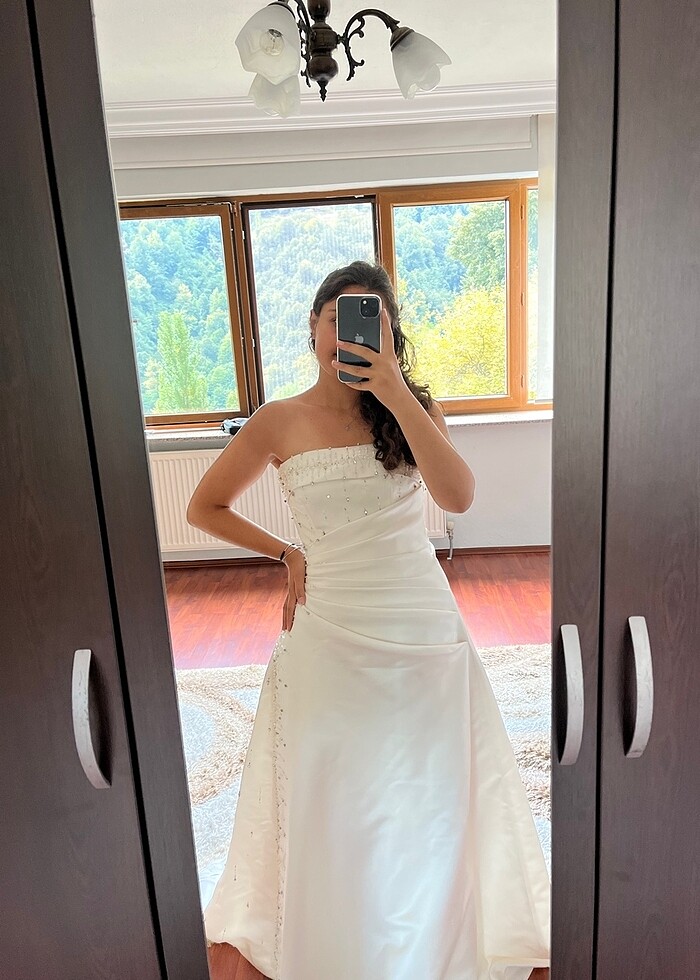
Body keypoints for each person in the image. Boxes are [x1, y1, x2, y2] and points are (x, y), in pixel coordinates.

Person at [187, 261, 551, 980]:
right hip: (329, 618)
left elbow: (459, 496)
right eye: (337, 319)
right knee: (336, 773)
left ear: (390, 333)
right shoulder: (279, 419)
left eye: (370, 320)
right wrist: (284, 552)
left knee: (433, 772)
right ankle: (346, 917)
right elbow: (205, 507)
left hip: (420, 618)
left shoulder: (412, 407)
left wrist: (394, 392)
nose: (349, 334)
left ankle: (438, 915)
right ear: (315, 327)